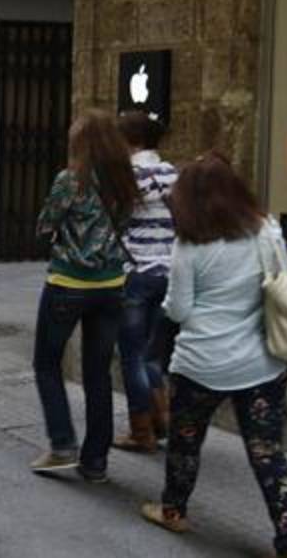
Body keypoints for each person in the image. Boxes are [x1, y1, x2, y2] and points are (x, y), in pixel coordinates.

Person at [140, 151, 287, 558]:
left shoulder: (189, 245)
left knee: (185, 444)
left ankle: (174, 511)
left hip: (201, 364)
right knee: (268, 454)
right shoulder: (266, 230)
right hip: (261, 364)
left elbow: (178, 310)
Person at [29, 108, 139, 483]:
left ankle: (62, 444)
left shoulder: (70, 180)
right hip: (111, 287)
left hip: (68, 284)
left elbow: (45, 224)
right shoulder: (125, 182)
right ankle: (95, 461)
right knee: (98, 374)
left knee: (46, 362)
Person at [113, 111, 180, 453]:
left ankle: (141, 431)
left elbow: (115, 221)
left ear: (130, 141)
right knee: (153, 353)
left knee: (131, 355)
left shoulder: (125, 175)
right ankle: (162, 417)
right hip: (169, 271)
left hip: (136, 271)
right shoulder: (172, 172)